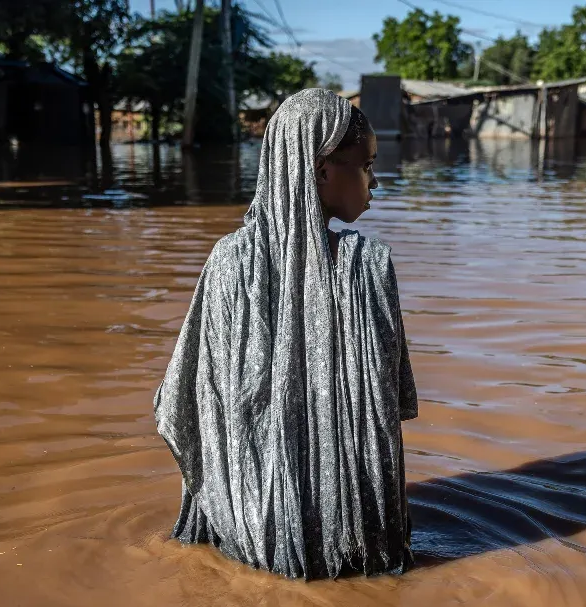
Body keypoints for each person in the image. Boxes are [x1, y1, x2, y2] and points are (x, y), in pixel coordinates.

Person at [153, 88, 418, 579]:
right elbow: (393, 406)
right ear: (320, 170)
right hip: (360, 545)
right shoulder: (367, 264)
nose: (375, 181)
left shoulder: (228, 263)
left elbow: (185, 403)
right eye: (366, 165)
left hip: (249, 536)